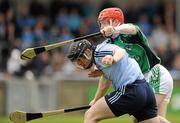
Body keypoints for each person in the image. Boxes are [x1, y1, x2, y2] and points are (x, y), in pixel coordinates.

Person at [90, 7, 173, 123]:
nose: (101, 27)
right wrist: (96, 100)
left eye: (104, 22)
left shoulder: (130, 34)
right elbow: (106, 78)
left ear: (115, 22)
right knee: (152, 120)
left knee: (138, 117)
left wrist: (115, 29)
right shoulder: (106, 46)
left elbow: (133, 28)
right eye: (100, 24)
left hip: (155, 76)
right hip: (142, 84)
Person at [67, 39, 160, 123]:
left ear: (88, 52)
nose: (79, 63)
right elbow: (105, 81)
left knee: (90, 115)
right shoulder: (98, 61)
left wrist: (113, 58)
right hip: (145, 90)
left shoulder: (100, 51)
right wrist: (96, 100)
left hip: (131, 91)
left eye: (79, 59)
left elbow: (121, 51)